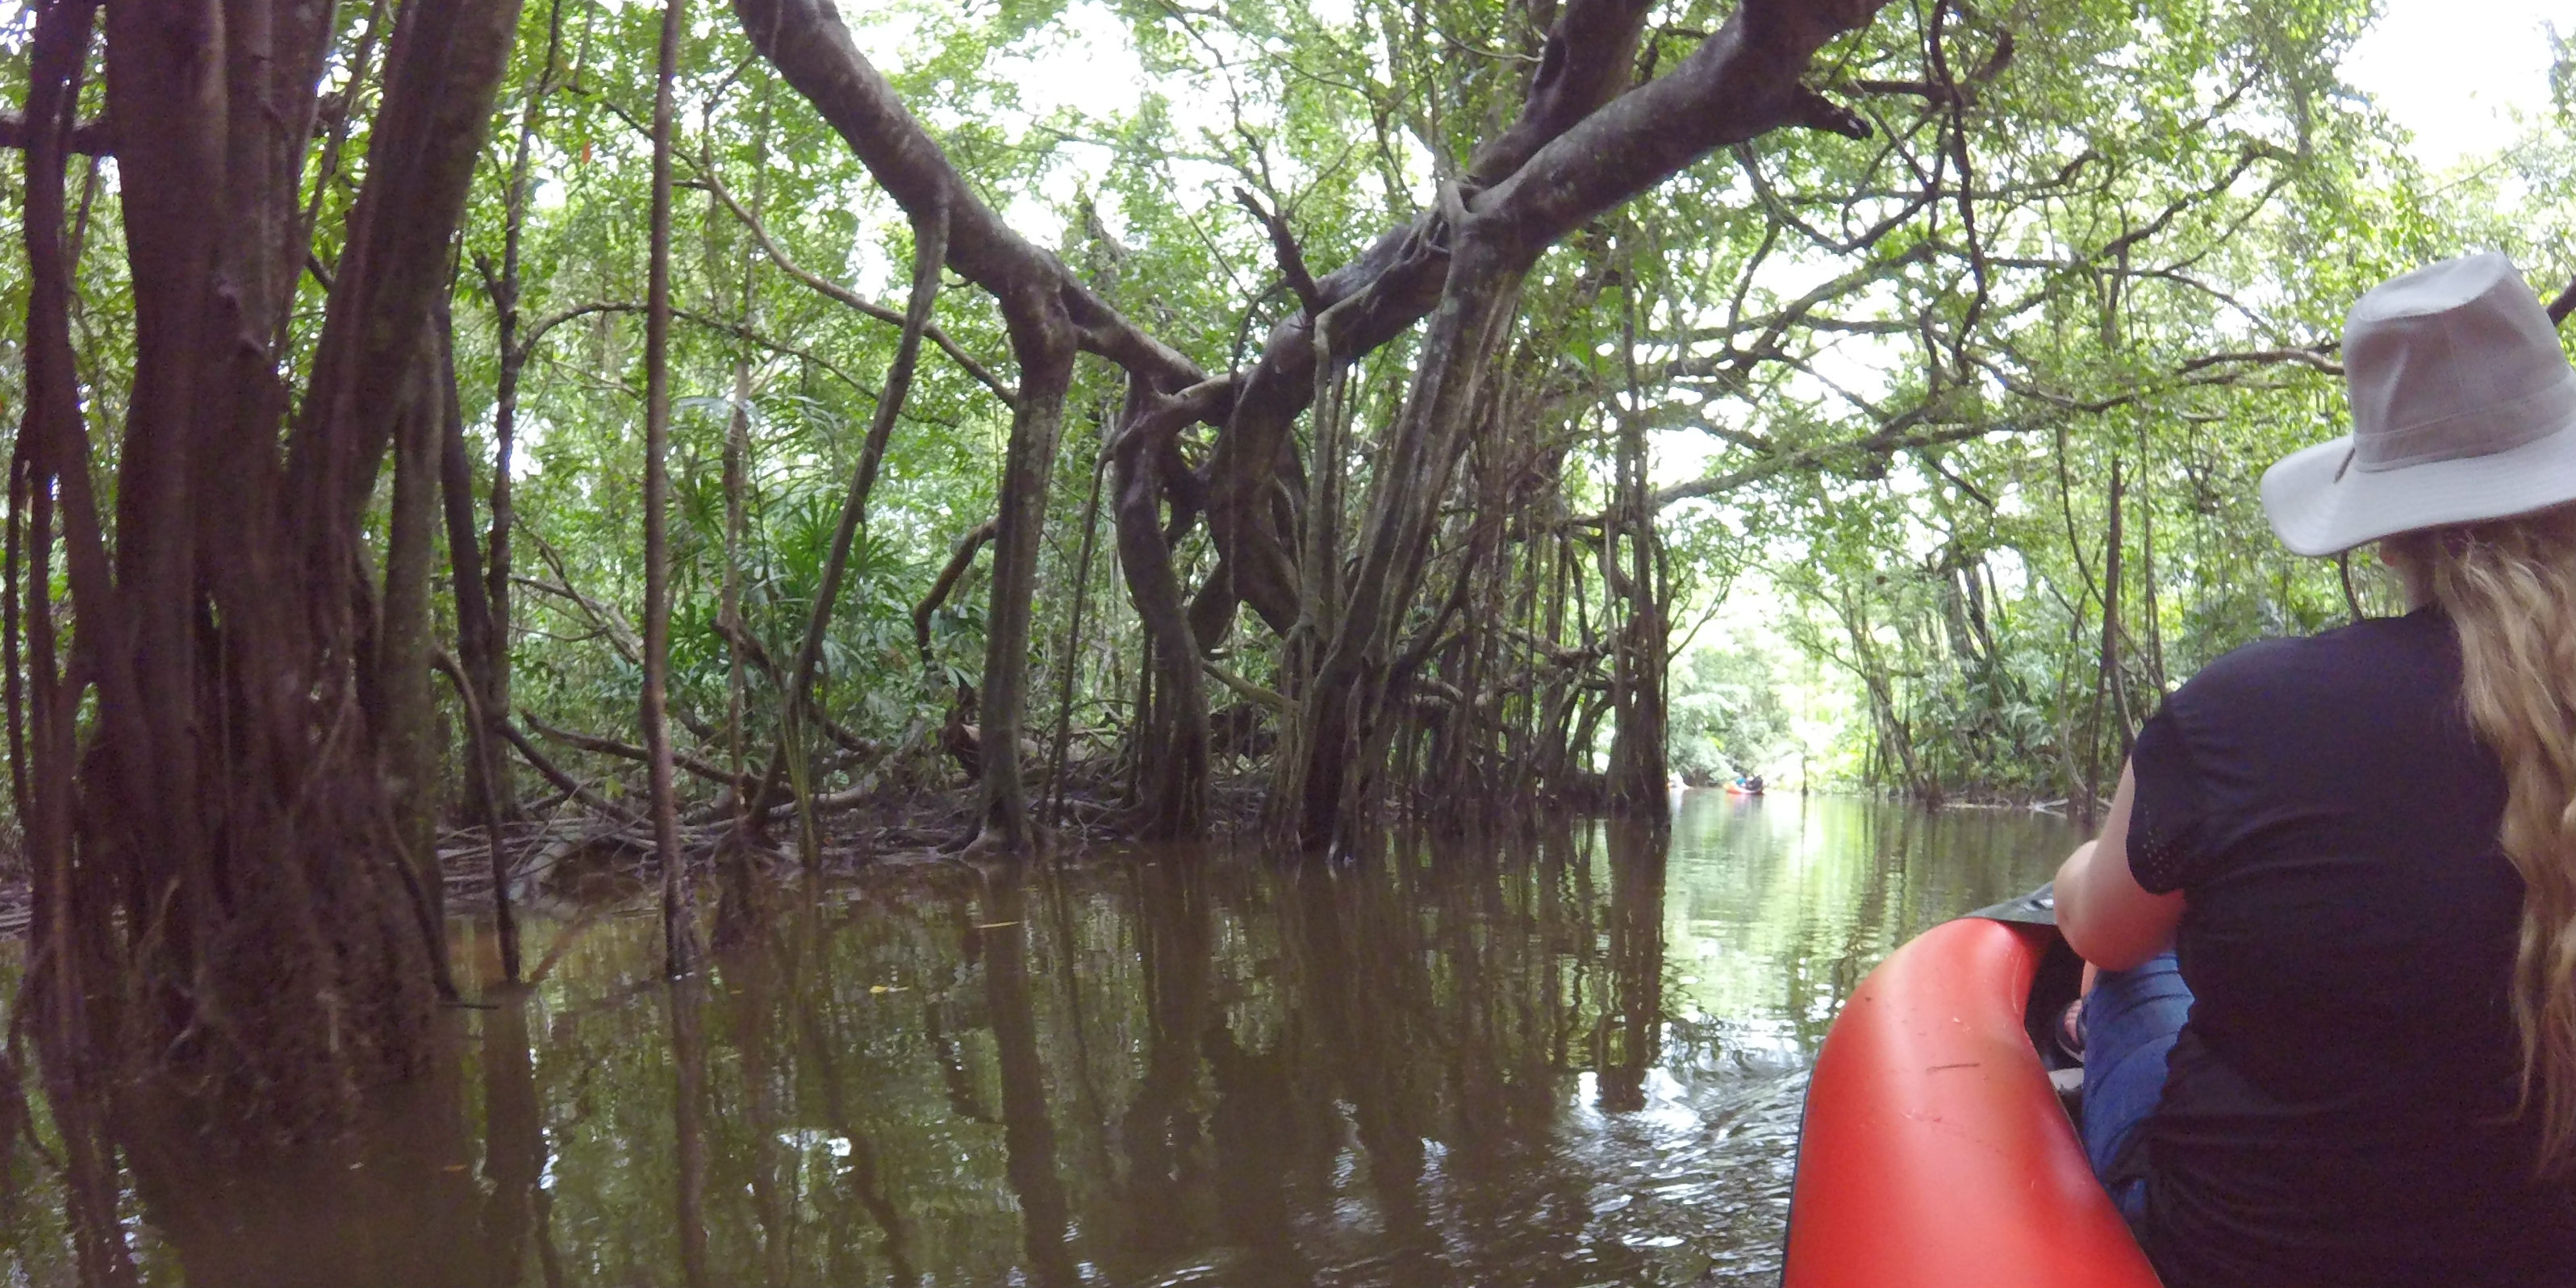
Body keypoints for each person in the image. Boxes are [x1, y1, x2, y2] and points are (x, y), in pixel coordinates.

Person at [2053, 252, 2576, 1287]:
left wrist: (2082, 873)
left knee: (2127, 963)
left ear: (2384, 540)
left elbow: (2097, 926)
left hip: (2244, 1252)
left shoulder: (2237, 712)